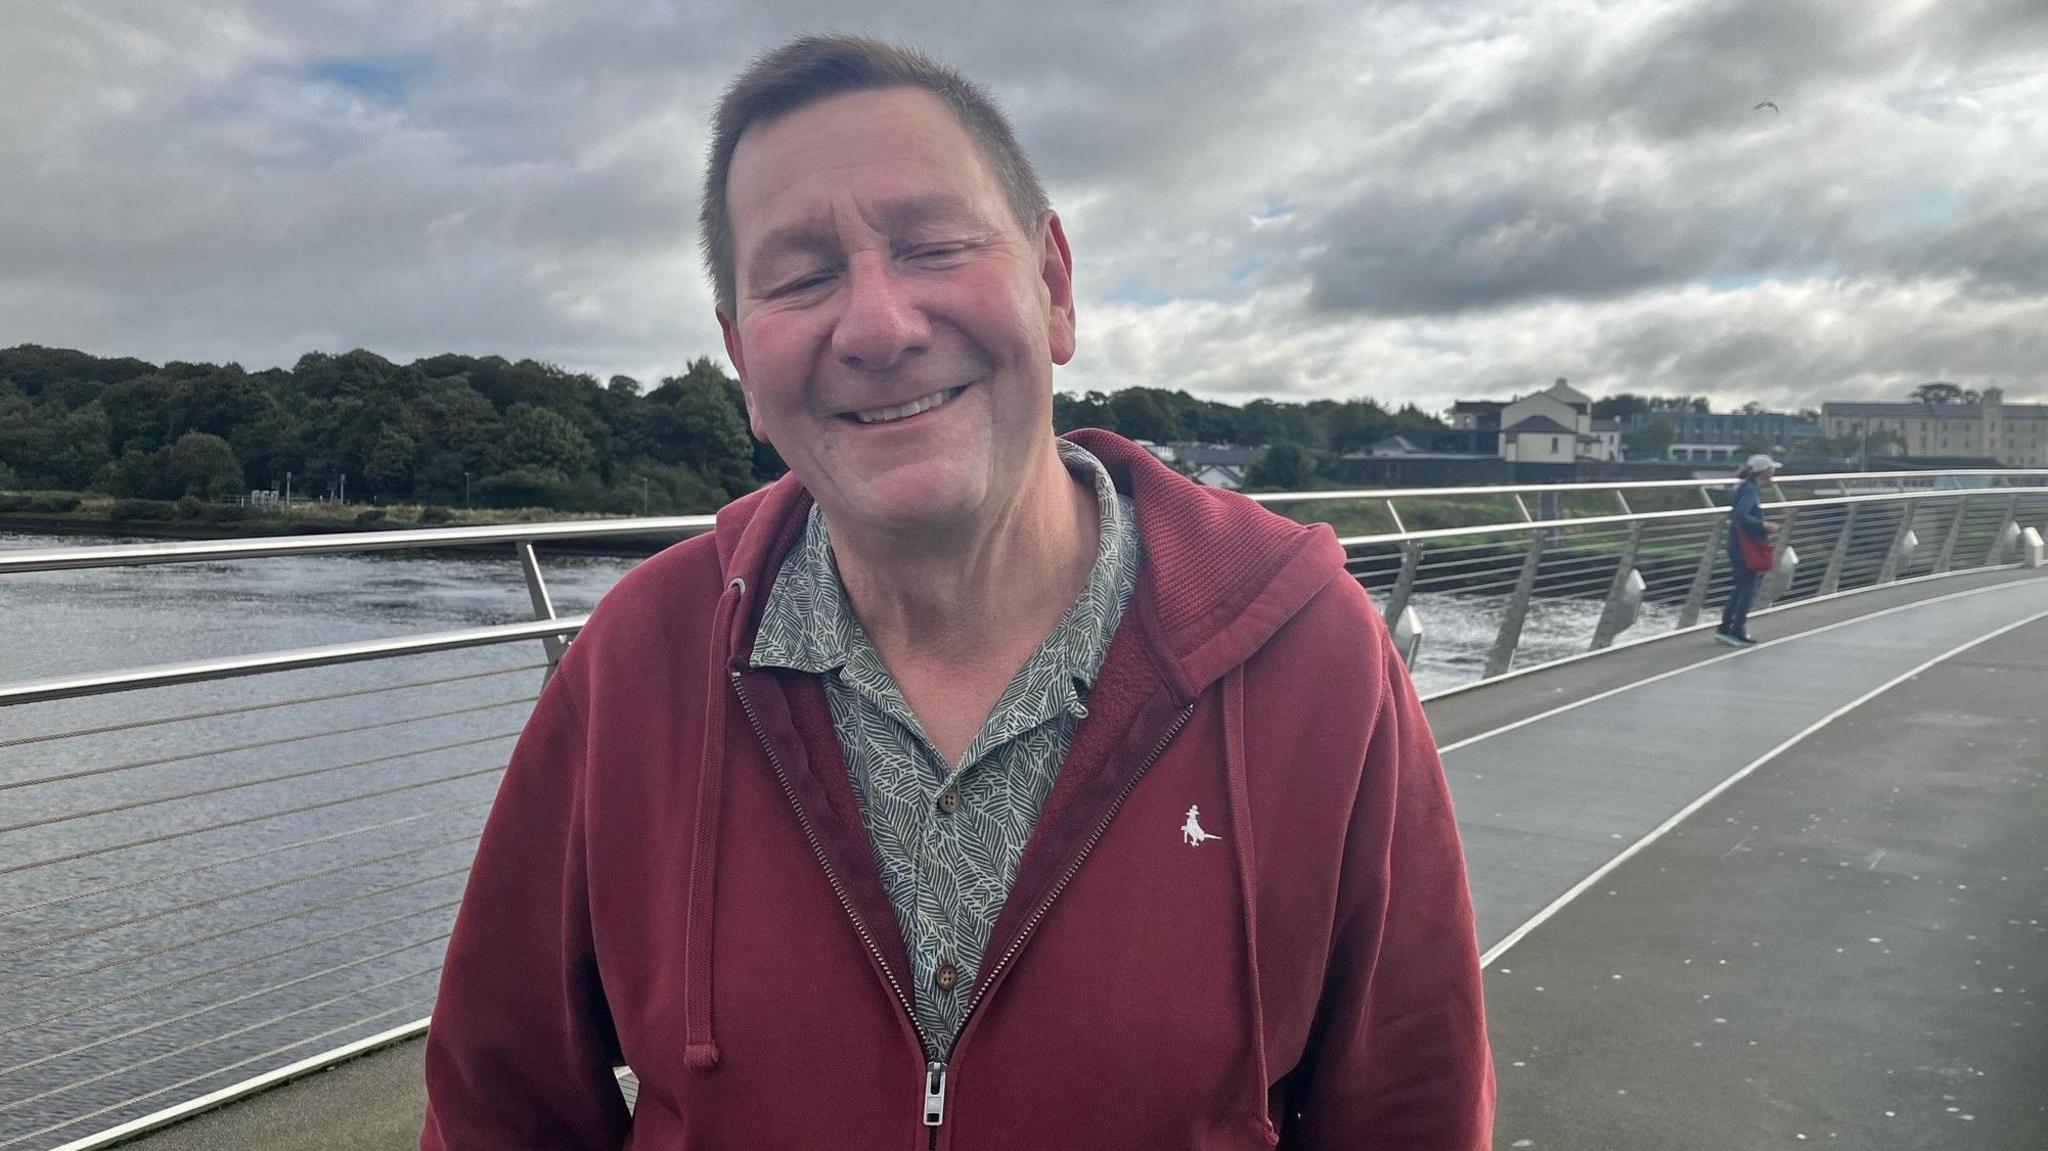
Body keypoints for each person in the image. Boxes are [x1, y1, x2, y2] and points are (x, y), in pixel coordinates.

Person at [421, 35, 1493, 1149]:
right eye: (799, 277)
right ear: (742, 361)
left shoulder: (1311, 658)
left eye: (931, 244)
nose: (878, 325)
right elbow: (500, 1103)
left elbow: (1407, 1106)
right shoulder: (640, 659)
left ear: (1054, 285)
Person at [1718, 453, 1781, 646]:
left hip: (1736, 544)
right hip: (1744, 547)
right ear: (1764, 471)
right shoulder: (1751, 490)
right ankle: (1737, 630)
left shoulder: (1746, 487)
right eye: (1772, 469)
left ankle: (1725, 628)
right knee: (1747, 589)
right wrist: (1764, 525)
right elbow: (1741, 516)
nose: (1774, 472)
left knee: (1740, 586)